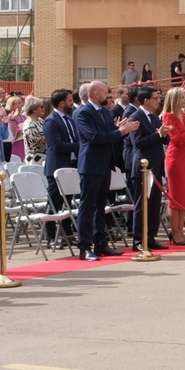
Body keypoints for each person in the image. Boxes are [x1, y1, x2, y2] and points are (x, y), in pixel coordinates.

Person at [73, 80, 136, 260]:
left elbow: (111, 133)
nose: (108, 96)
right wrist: (120, 132)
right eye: (105, 93)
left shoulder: (104, 112)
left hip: (104, 164)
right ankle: (84, 246)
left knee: (100, 207)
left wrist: (120, 128)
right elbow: (93, 137)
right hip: (90, 165)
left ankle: (100, 243)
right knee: (87, 207)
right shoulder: (82, 113)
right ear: (94, 93)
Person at [122, 86, 167, 250]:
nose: (159, 101)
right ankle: (139, 240)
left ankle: (151, 236)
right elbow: (138, 142)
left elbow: (161, 138)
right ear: (146, 100)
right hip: (143, 168)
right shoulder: (135, 116)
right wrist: (158, 134)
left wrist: (165, 133)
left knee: (154, 203)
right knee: (142, 205)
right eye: (156, 98)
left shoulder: (154, 117)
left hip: (156, 166)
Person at [161, 86, 185, 245]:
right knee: (175, 197)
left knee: (184, 197)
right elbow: (177, 139)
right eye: (183, 97)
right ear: (176, 99)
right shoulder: (169, 117)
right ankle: (175, 232)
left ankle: (181, 231)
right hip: (175, 158)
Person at [42, 89, 78, 248]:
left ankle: (67, 235)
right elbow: (57, 146)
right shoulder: (51, 121)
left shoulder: (69, 120)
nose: (72, 103)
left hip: (70, 166)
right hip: (56, 167)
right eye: (70, 100)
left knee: (68, 203)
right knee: (54, 203)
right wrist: (80, 146)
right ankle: (50, 238)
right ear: (62, 103)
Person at [20, 98, 48, 165]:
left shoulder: (40, 120)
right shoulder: (29, 124)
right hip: (35, 159)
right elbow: (35, 142)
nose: (43, 108)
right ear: (34, 110)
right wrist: (50, 134)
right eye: (41, 107)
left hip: (44, 158)